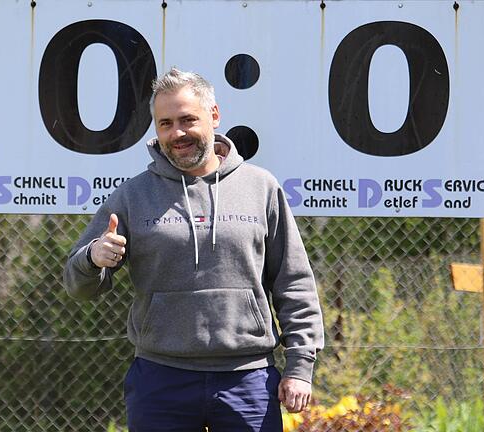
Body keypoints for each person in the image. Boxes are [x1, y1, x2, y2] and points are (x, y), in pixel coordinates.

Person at [63, 68, 324, 431]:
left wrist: (299, 366)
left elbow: (294, 283)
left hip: (247, 379)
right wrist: (93, 258)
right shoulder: (132, 195)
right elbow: (78, 284)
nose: (177, 133)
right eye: (165, 123)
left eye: (188, 120)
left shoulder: (261, 187)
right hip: (160, 379)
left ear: (214, 116)